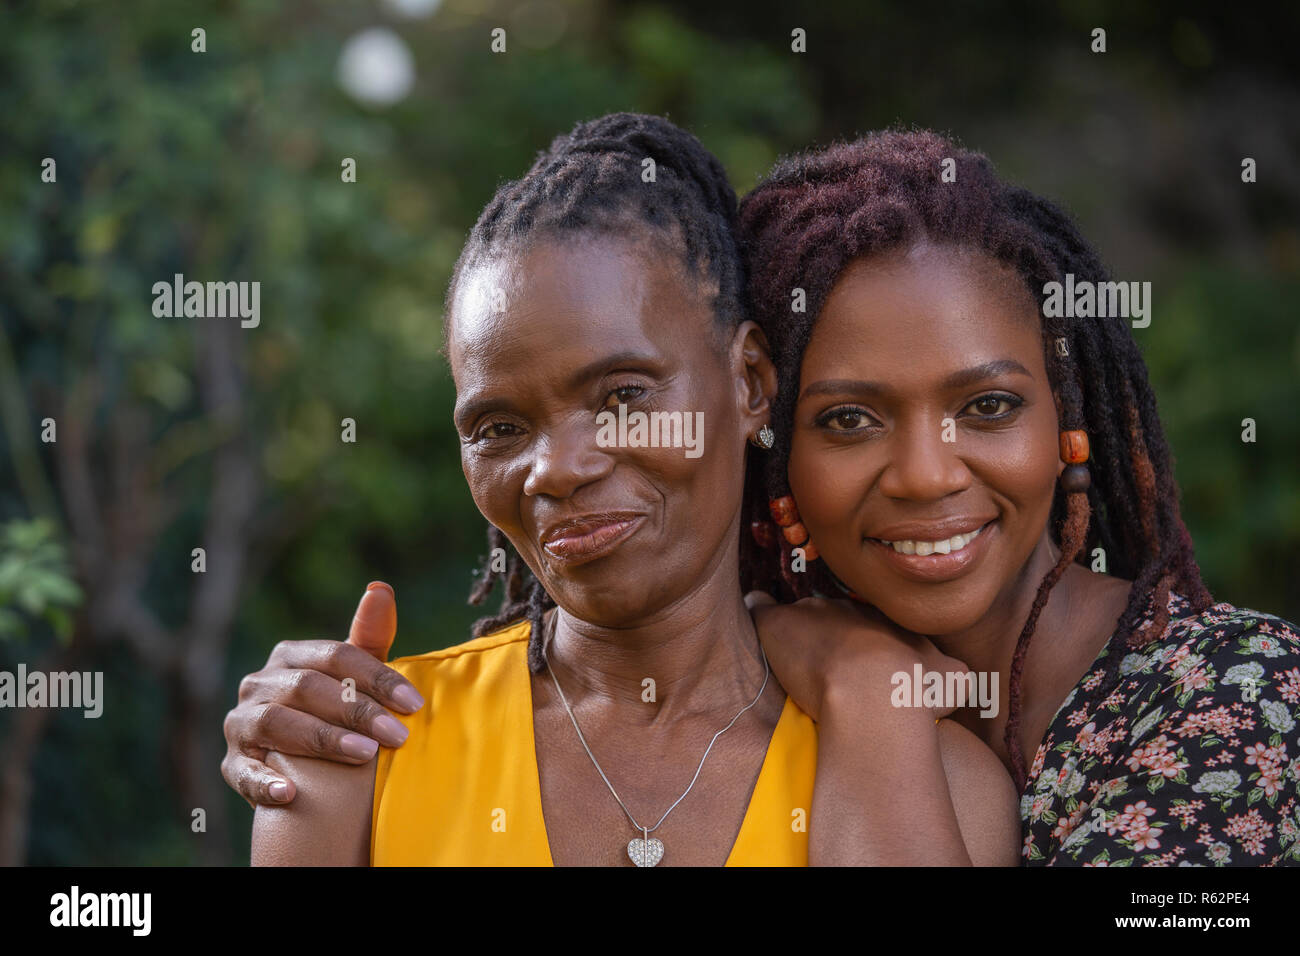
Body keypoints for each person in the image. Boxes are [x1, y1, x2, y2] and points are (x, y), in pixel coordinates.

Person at [236, 114, 1020, 866]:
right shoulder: (352, 754)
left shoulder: (937, 786)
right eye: (499, 429)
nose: (556, 469)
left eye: (622, 396)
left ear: (748, 383)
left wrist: (867, 701)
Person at [736, 129, 1300, 866]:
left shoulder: (1239, 695)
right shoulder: (732, 709)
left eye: (988, 406)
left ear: (1068, 418)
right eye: (849, 420)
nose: (927, 475)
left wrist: (872, 699)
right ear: (772, 451)